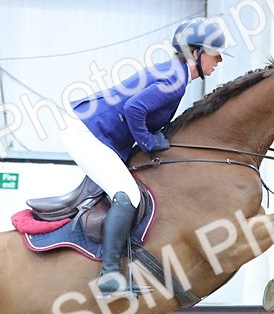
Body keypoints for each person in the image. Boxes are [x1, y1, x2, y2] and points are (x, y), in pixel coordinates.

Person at [61, 17, 228, 296]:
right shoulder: (175, 80)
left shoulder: (176, 73)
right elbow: (134, 108)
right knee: (128, 195)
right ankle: (109, 277)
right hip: (85, 132)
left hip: (94, 129)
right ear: (196, 53)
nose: (219, 60)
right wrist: (148, 142)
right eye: (215, 54)